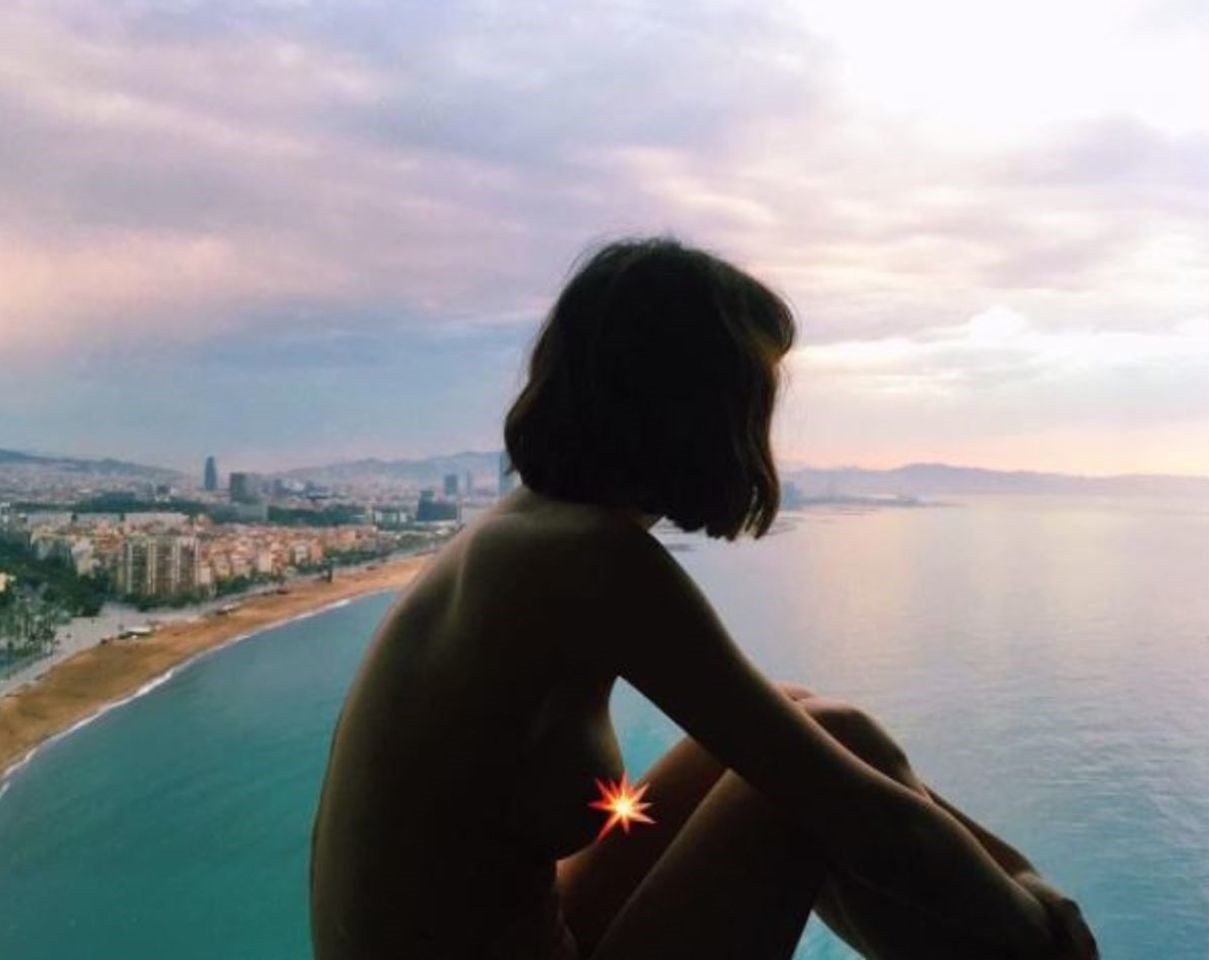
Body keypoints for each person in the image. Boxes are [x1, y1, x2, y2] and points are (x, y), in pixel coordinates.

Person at [309, 235, 1099, 959]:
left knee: (806, 718)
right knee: (812, 791)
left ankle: (1027, 927)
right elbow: (857, 812)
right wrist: (1036, 926)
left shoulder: (521, 530)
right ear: (702, 406)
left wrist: (1019, 876)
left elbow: (815, 758)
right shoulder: (589, 557)